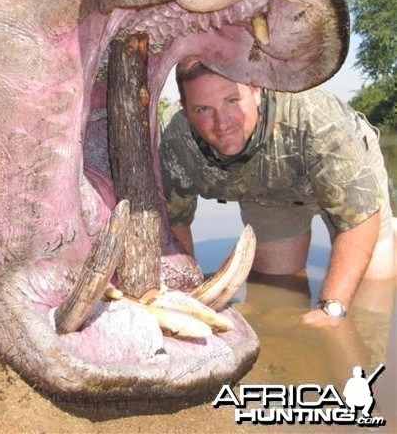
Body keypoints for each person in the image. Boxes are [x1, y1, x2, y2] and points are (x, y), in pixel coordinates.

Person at [159, 58, 395, 326]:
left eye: (232, 101)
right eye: (202, 109)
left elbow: (359, 220)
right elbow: (174, 222)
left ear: (256, 90)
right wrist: (185, 298)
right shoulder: (175, 138)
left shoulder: (313, 115)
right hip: (268, 195)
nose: (222, 122)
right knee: (273, 291)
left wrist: (332, 308)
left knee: (373, 295)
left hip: (347, 181)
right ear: (185, 110)